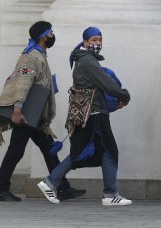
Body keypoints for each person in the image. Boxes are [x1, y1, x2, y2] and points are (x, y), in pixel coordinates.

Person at [37, 27, 132, 206]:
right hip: (94, 114)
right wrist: (124, 95)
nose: (97, 43)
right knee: (106, 151)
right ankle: (108, 193)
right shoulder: (88, 61)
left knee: (98, 151)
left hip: (90, 113)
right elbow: (107, 84)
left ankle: (109, 193)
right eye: (94, 40)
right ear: (86, 42)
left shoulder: (84, 60)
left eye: (100, 40)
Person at [0, 21, 86, 202]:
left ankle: (61, 186)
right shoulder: (31, 56)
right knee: (17, 151)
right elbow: (23, 83)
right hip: (26, 115)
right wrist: (17, 110)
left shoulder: (39, 54)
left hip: (34, 115)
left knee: (48, 149)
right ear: (43, 36)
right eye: (50, 33)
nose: (52, 36)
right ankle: (2, 187)